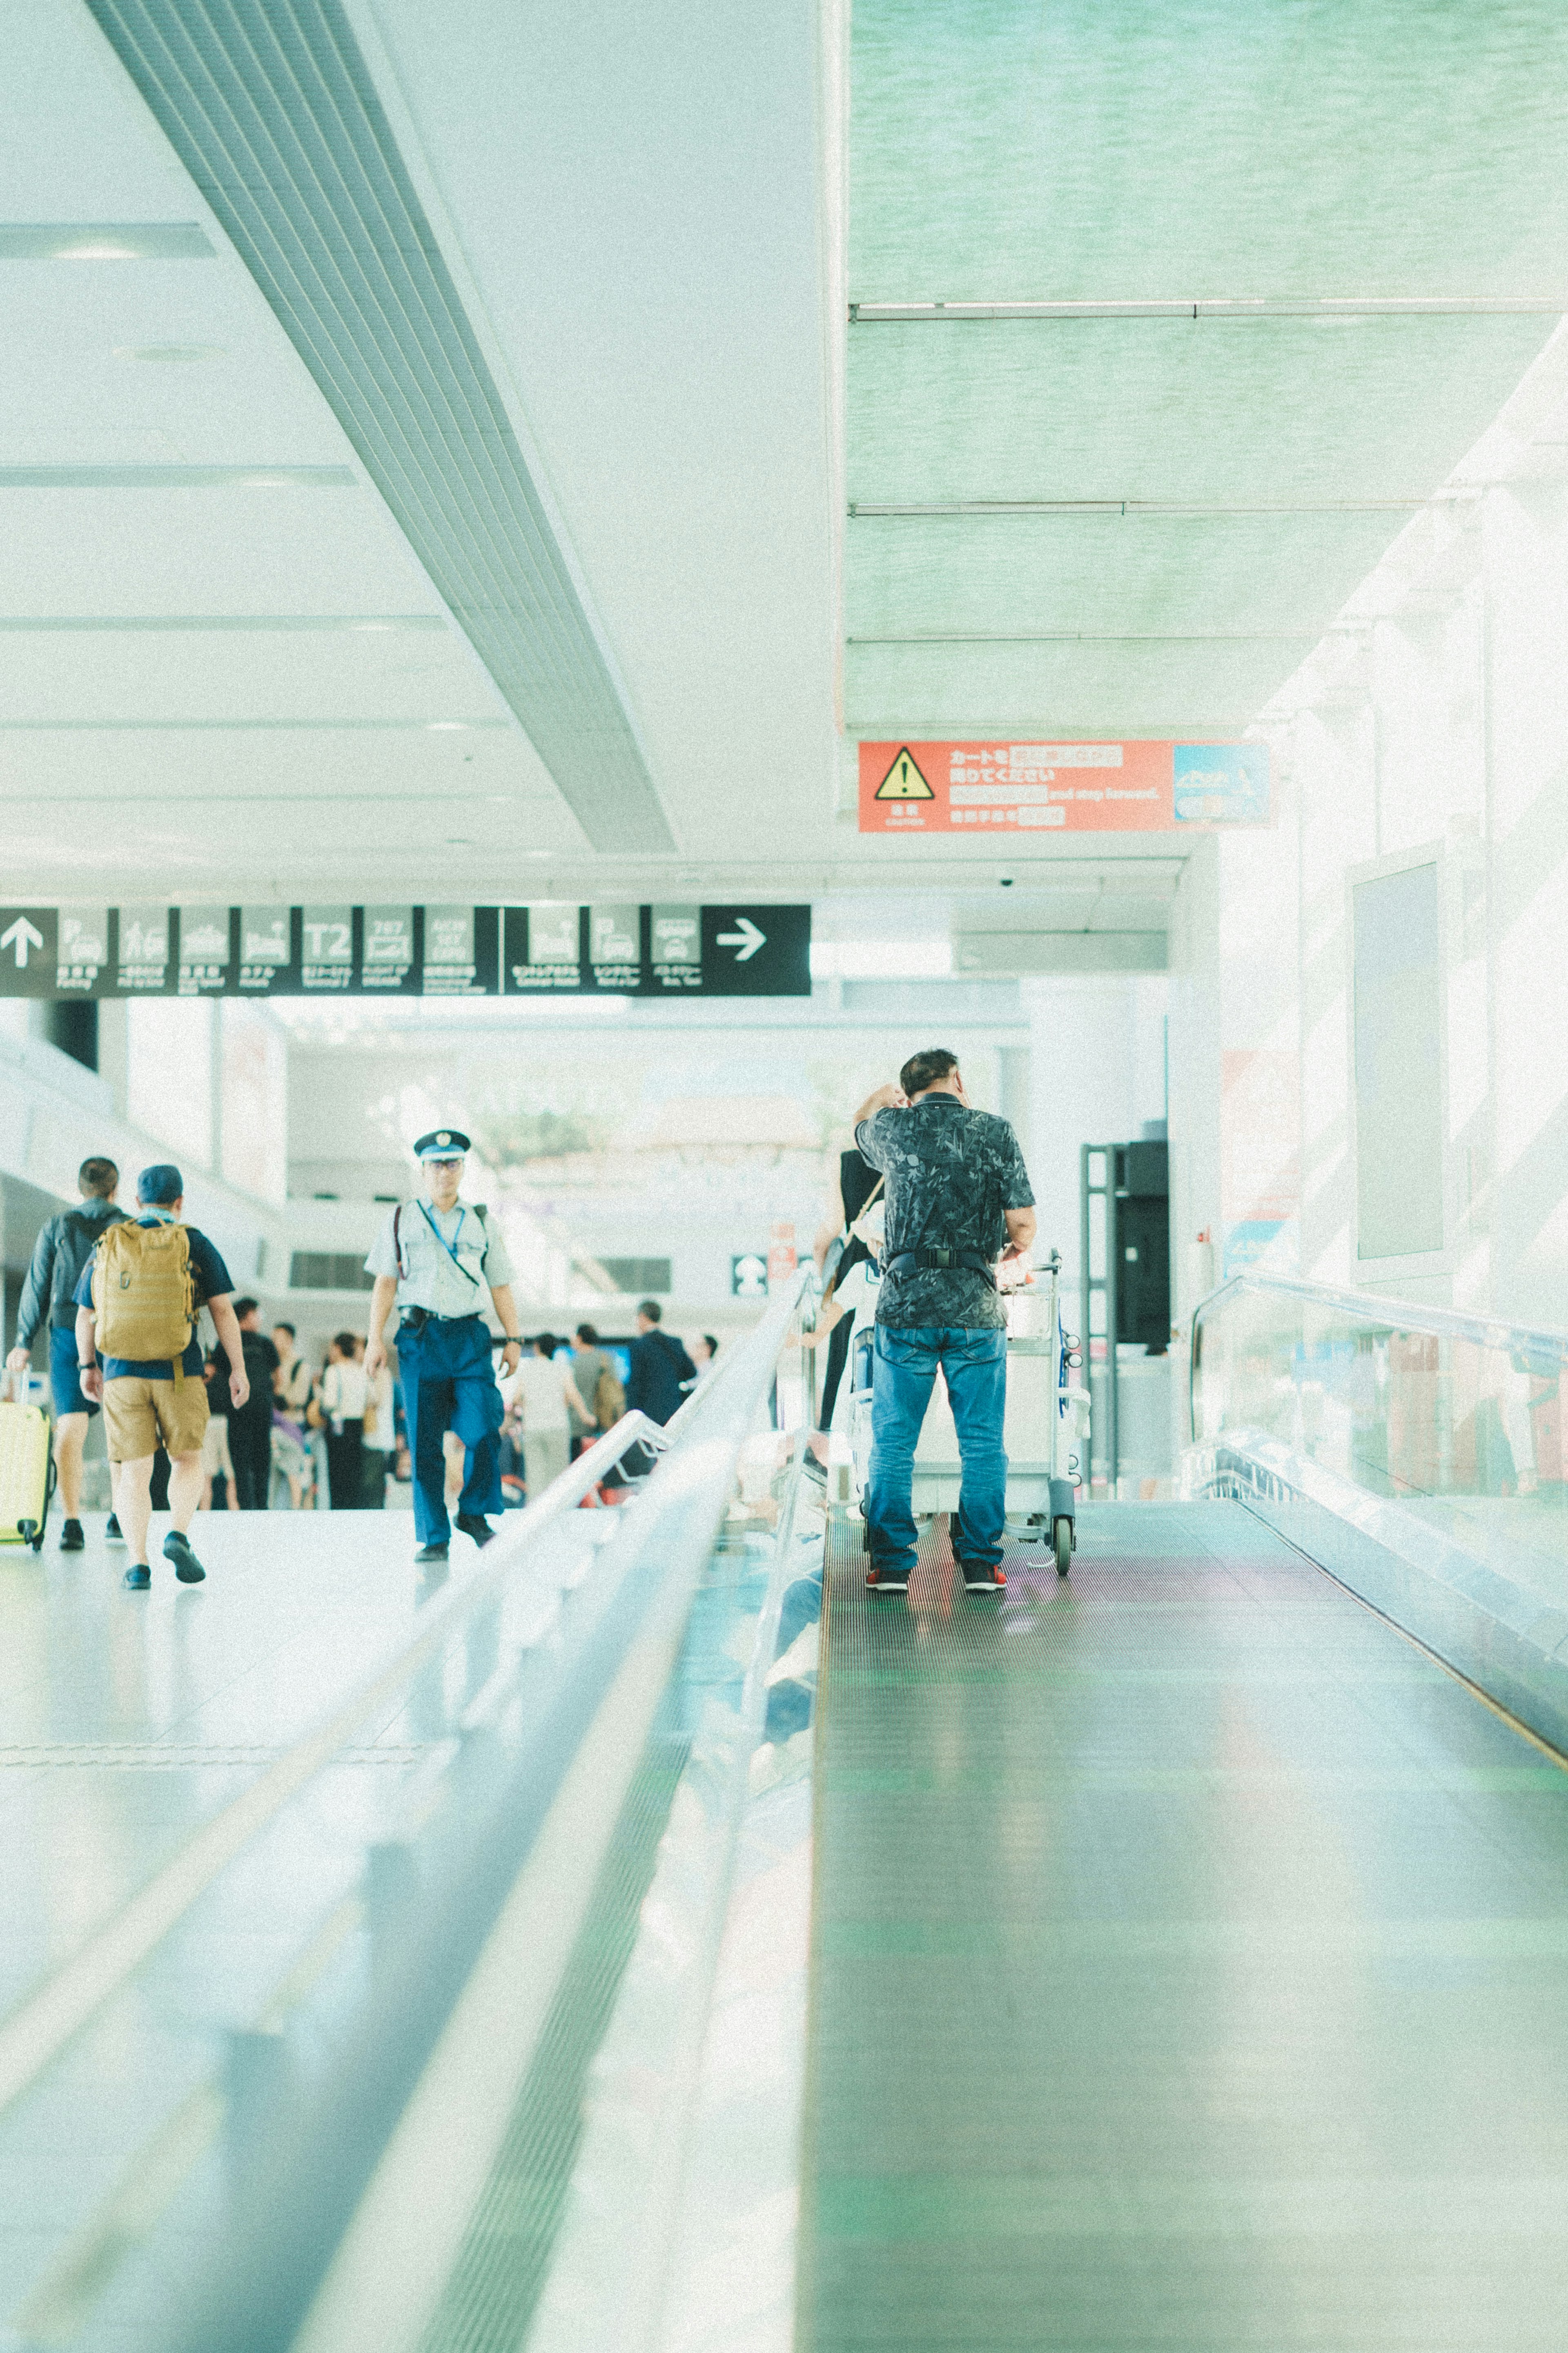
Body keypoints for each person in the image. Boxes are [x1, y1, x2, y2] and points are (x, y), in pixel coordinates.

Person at [853, 1049, 1036, 1597]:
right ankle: (981, 1564)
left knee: (893, 1441)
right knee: (981, 1443)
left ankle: (890, 1565)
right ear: (958, 1079)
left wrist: (887, 1097)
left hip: (905, 1306)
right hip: (974, 1307)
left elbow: (856, 1125)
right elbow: (1023, 1222)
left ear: (908, 1092)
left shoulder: (893, 1127)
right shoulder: (994, 1131)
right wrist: (1007, 1251)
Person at [74, 1162, 248, 1590]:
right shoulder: (192, 1241)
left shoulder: (110, 1242)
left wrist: (87, 1366)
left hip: (121, 1374)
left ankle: (137, 1564)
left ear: (136, 1202)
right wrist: (238, 1368)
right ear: (180, 1202)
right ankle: (178, 1533)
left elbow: (85, 1315)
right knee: (187, 1459)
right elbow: (223, 1309)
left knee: (134, 1472)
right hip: (180, 1371)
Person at [363, 1129, 523, 1562]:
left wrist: (513, 1338)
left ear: (464, 1169)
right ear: (424, 1169)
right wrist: (373, 1339)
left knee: (485, 1427)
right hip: (420, 1339)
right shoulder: (401, 1219)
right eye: (437, 1163)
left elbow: (501, 1284)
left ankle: (473, 1512)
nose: (445, 1172)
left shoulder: (482, 1221)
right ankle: (434, 1534)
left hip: (471, 1338)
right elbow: (385, 1282)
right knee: (424, 1441)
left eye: (453, 1163)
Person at [6, 1155, 128, 1550]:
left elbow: (38, 1284)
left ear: (80, 1188)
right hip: (116, 1329)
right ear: (115, 1189)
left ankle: (71, 1522)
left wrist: (24, 1340)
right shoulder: (128, 1226)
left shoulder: (58, 1225)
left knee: (71, 1426)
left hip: (65, 1330)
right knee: (118, 1426)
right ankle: (118, 1516)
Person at [508, 1334, 590, 1498]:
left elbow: (516, 1399)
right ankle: (558, 1514)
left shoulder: (527, 1369)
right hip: (558, 1427)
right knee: (559, 1475)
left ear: (537, 1347)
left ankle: (537, 1515)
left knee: (535, 1475)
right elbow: (573, 1394)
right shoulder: (562, 1369)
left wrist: (528, 1405)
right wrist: (586, 1416)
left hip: (533, 1428)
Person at [228, 1299, 279, 1510]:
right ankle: (261, 1506)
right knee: (262, 1458)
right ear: (248, 1315)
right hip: (262, 1408)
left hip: (237, 1407)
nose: (259, 1319)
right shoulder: (265, 1343)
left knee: (240, 1460)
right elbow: (279, 1378)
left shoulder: (227, 1342)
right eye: (257, 1314)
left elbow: (212, 1372)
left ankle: (246, 1506)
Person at [625, 1299, 696, 1426]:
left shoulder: (639, 1346)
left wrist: (630, 1413)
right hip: (674, 1409)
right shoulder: (675, 1343)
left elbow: (636, 1383)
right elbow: (691, 1372)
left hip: (649, 1413)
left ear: (643, 1317)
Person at [319, 1331, 368, 1510]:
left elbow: (329, 1402)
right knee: (354, 1472)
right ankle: (354, 1510)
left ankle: (339, 1511)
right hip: (357, 1425)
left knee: (338, 1472)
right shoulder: (361, 1370)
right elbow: (372, 1398)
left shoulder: (333, 1371)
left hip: (338, 1426)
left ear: (338, 1349)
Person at [271, 1321, 314, 1508]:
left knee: (293, 1471)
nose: (274, 1342)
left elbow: (300, 1398)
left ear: (289, 1341)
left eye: (278, 1338)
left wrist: (279, 1396)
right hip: (274, 1423)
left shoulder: (300, 1365)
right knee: (275, 1471)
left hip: (293, 1424)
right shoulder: (271, 1364)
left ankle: (296, 1510)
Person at [569, 1323, 620, 1455]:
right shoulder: (605, 1359)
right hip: (604, 1420)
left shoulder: (573, 1364)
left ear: (580, 1338)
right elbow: (616, 1386)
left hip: (576, 1425)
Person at [199, 1346, 238, 1512]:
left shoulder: (204, 1382)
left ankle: (207, 1510)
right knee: (219, 1474)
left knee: (215, 1473)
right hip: (218, 1423)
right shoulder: (227, 1379)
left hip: (216, 1423)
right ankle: (230, 1509)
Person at [359, 1336, 393, 1508]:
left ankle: (375, 1512)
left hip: (377, 1435)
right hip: (377, 1435)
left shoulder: (381, 1373)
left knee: (372, 1481)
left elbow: (376, 1400)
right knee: (373, 1479)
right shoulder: (381, 1372)